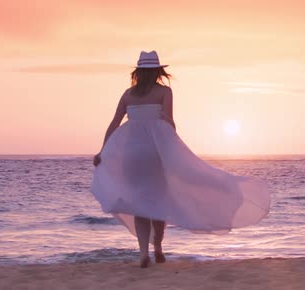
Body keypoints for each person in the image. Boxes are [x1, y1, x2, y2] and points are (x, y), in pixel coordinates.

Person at [91, 50, 270, 268]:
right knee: (158, 198)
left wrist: (102, 152)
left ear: (138, 72)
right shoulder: (165, 92)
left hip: (132, 153)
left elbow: (114, 124)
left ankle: (142, 253)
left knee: (139, 203)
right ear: (158, 71)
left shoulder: (128, 94)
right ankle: (157, 247)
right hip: (154, 152)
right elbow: (169, 124)